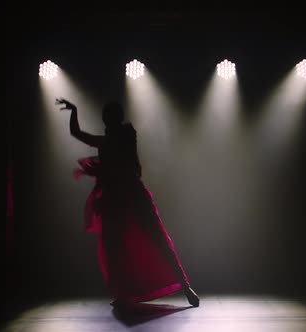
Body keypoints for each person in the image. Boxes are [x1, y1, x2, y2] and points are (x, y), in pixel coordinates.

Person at [56, 98, 199, 307]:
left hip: (129, 195)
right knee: (117, 247)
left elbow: (83, 136)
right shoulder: (117, 137)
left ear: (113, 118)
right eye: (106, 117)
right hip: (118, 197)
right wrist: (74, 111)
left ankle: (185, 287)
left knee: (150, 239)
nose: (106, 120)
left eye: (108, 116)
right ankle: (126, 293)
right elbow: (78, 134)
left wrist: (74, 112)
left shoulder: (126, 133)